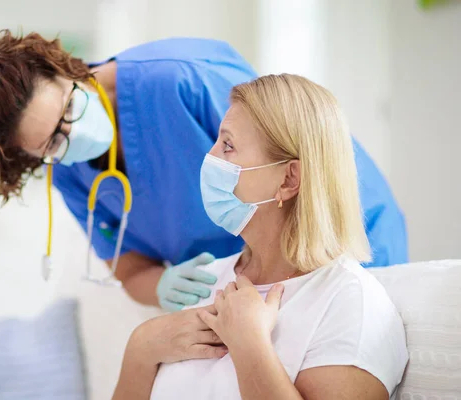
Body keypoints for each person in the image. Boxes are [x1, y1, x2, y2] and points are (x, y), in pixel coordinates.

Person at [0, 30, 407, 312]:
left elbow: (298, 154)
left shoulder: (179, 78)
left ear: (64, 68)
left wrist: (294, 285)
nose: (72, 133)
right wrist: (162, 286)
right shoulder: (68, 173)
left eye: (69, 107)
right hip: (243, 298)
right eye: (53, 141)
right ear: (28, 155)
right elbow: (129, 269)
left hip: (341, 240)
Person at [112, 74, 408, 400]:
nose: (209, 159)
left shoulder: (351, 306)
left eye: (228, 146)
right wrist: (141, 346)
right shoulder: (206, 282)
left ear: (288, 179)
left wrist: (249, 344)